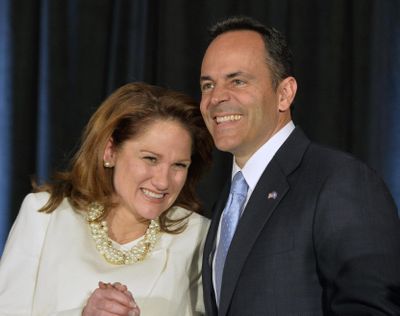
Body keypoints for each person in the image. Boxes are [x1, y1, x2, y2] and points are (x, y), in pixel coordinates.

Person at [199, 16, 400, 315]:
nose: (216, 98)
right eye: (207, 85)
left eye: (237, 81)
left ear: (284, 94)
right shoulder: (226, 202)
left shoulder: (341, 181)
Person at [0, 82, 213, 315]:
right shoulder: (44, 215)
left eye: (179, 165)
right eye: (150, 158)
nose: (163, 181)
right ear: (110, 151)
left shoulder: (199, 237)